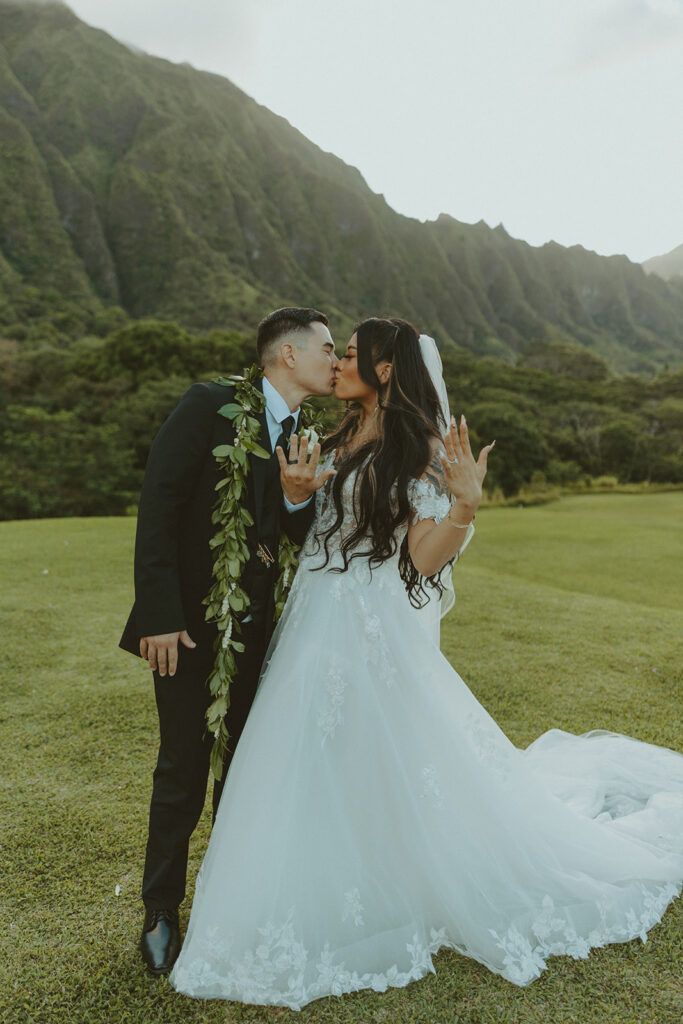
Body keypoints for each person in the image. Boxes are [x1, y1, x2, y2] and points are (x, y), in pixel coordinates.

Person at [169, 317, 683, 1010]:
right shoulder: (334, 433)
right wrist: (295, 492)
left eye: (350, 354)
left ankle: (388, 885)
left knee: (376, 754)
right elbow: (308, 523)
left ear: (386, 368)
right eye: (337, 352)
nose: (339, 363)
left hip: (364, 622)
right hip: (312, 616)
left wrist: (464, 505)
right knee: (307, 756)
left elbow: (418, 557)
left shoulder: (416, 446)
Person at [119, 307, 339, 976]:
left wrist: (300, 501)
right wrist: (158, 613)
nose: (337, 359)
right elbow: (158, 504)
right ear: (287, 356)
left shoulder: (304, 433)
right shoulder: (209, 406)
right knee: (182, 767)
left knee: (244, 771)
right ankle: (160, 912)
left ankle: (227, 902)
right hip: (184, 628)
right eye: (329, 348)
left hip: (259, 632)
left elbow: (290, 537)